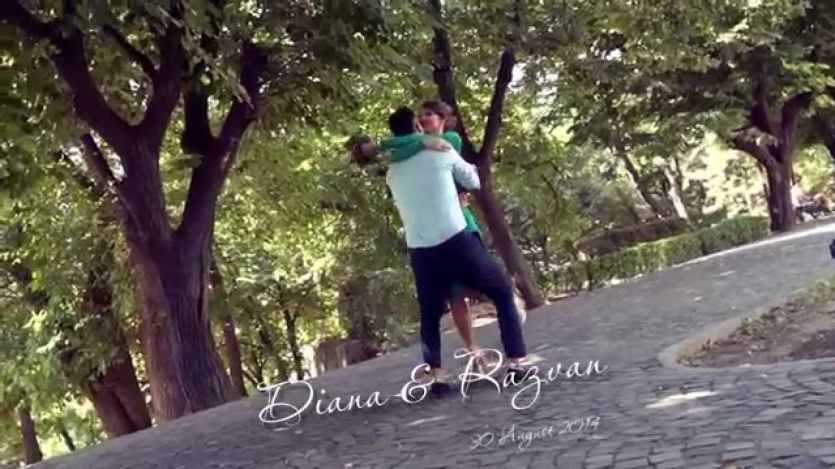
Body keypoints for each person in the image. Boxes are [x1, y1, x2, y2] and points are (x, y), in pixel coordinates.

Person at [369, 106, 530, 390]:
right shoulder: (441, 151)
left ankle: (437, 377)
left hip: (420, 248)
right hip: (456, 239)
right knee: (502, 293)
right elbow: (473, 181)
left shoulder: (392, 172)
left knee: (429, 313)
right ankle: (515, 363)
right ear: (417, 127)